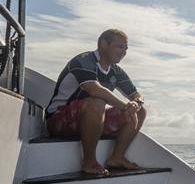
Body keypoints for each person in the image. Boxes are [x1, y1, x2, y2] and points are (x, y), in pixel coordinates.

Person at [45, 29, 147, 175]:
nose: (123, 52)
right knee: (97, 101)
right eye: (119, 46)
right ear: (103, 44)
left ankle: (116, 157)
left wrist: (136, 103)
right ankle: (89, 161)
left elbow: (137, 94)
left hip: (90, 120)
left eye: (126, 48)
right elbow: (95, 90)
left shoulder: (116, 71)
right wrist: (126, 106)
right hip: (58, 121)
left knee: (141, 111)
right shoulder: (83, 60)